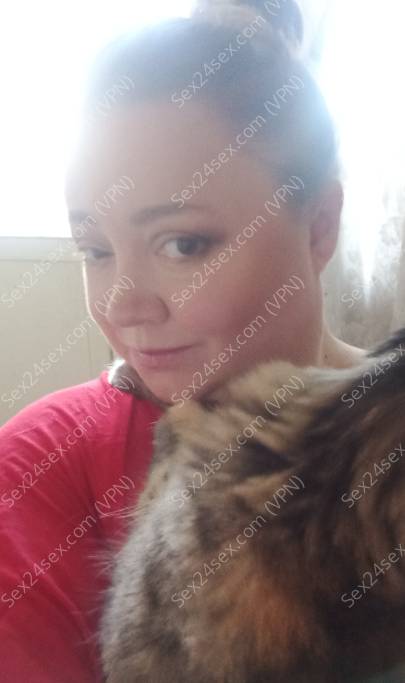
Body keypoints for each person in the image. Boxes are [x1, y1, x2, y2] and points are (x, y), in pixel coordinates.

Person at [0, 1, 366, 681]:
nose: (121, 305)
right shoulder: (40, 465)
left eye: (183, 244)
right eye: (95, 249)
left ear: (318, 225)